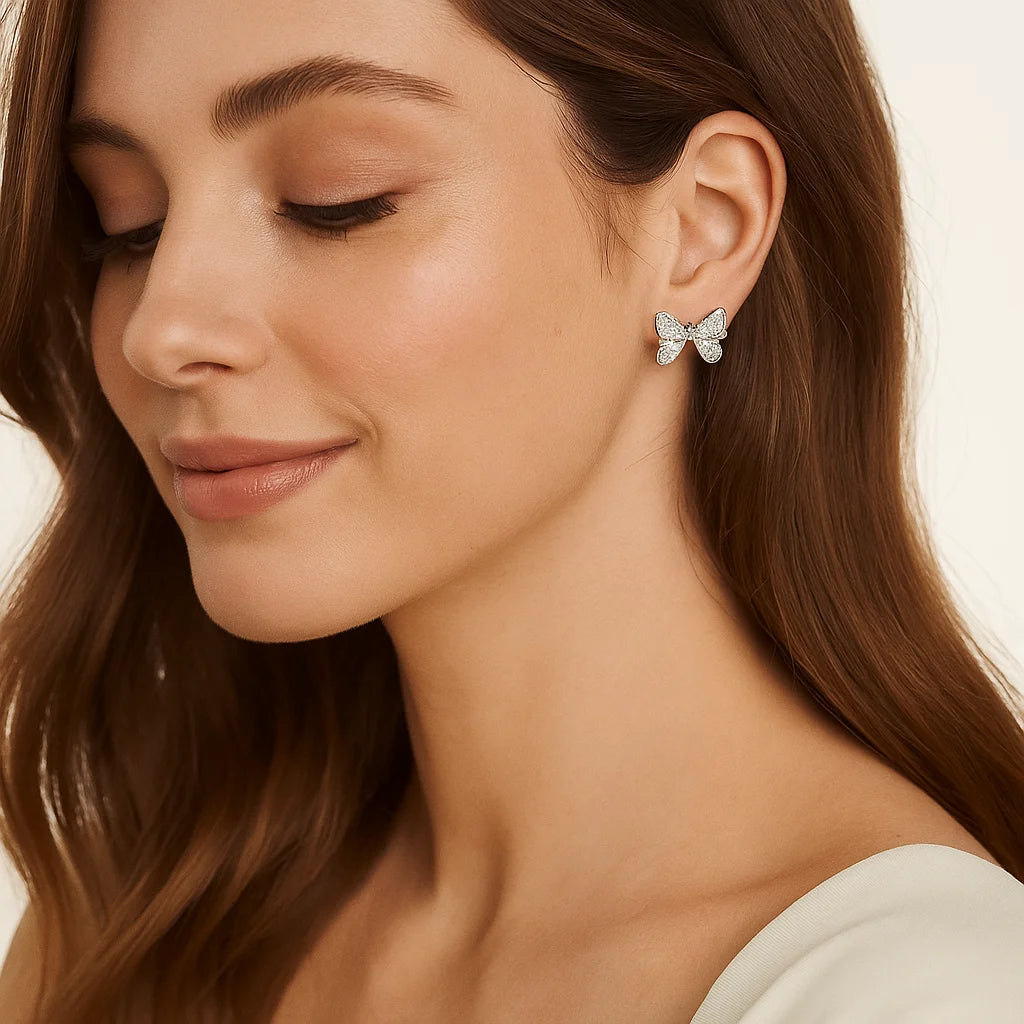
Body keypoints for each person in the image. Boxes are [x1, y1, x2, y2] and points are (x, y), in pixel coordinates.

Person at [0, 0, 1022, 1021]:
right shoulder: (125, 934)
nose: (161, 330)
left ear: (703, 229)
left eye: (336, 200)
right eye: (127, 224)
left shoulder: (923, 993)